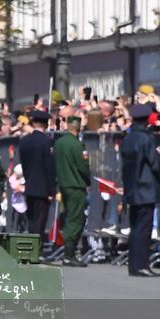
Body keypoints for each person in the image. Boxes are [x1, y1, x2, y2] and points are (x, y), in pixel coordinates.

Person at [120, 103, 160, 277]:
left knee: (135, 228)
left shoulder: (128, 138)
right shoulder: (147, 139)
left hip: (132, 187)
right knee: (143, 229)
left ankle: (134, 264)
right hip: (146, 188)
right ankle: (141, 265)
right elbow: (156, 165)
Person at [54, 114, 92, 267]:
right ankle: (69, 254)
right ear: (79, 127)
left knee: (69, 217)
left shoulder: (59, 143)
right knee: (76, 220)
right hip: (76, 185)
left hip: (64, 184)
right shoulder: (77, 145)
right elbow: (82, 167)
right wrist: (88, 180)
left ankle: (68, 253)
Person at [17, 108, 55, 237]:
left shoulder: (24, 141)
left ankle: (30, 248)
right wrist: (51, 190)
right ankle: (36, 250)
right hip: (42, 188)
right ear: (46, 124)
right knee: (40, 221)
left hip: (30, 185)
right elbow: (49, 167)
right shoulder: (46, 142)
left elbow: (24, 164)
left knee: (32, 220)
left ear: (33, 123)